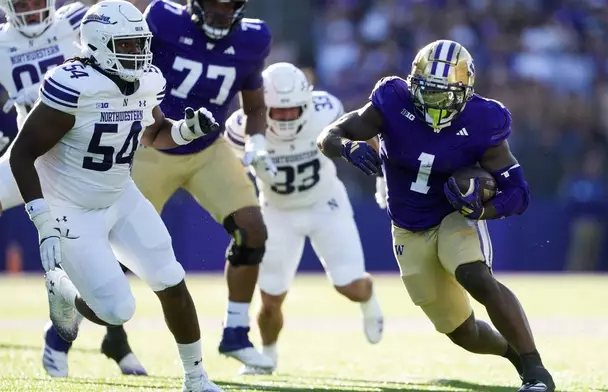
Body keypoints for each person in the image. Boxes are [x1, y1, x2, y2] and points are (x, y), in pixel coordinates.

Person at [317, 39, 556, 392]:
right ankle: (513, 354)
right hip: (407, 229)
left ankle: (537, 373)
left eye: (443, 94)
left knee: (475, 276)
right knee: (464, 333)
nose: (432, 102)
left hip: (451, 216)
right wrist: (347, 148)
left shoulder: (483, 119)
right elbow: (329, 134)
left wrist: (483, 210)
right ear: (413, 85)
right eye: (426, 91)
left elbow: (518, 193)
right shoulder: (392, 100)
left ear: (464, 92)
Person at [9, 2, 223, 390]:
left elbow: (154, 133)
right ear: (97, 44)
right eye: (127, 45)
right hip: (71, 209)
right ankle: (67, 297)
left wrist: (187, 131)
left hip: (121, 196)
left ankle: (196, 376)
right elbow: (23, 153)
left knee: (171, 279)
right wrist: (43, 219)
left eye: (141, 44)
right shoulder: (74, 84)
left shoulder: (145, 80)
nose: (138, 54)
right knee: (115, 311)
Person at [0, 0, 146, 377]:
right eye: (23, 2)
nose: (31, 8)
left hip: (85, 156)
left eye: (37, 0)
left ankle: (111, 337)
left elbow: (130, 36)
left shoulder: (81, 20)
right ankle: (111, 338)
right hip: (30, 153)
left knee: (112, 241)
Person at [128, 0, 275, 369]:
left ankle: (236, 333)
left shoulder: (253, 38)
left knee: (252, 231)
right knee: (117, 244)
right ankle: (85, 334)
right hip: (152, 146)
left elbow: (255, 105)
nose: (221, 12)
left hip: (208, 147)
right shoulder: (162, 18)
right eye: (214, 4)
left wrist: (257, 142)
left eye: (230, 6)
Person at [224, 62, 384, 375]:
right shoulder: (241, 125)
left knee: (350, 286)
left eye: (292, 110)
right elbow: (223, 168)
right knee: (270, 298)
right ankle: (267, 355)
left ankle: (370, 299)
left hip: (326, 204)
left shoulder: (326, 111)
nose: (284, 118)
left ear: (307, 103)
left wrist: (381, 176)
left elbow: (363, 132)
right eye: (276, 111)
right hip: (277, 211)